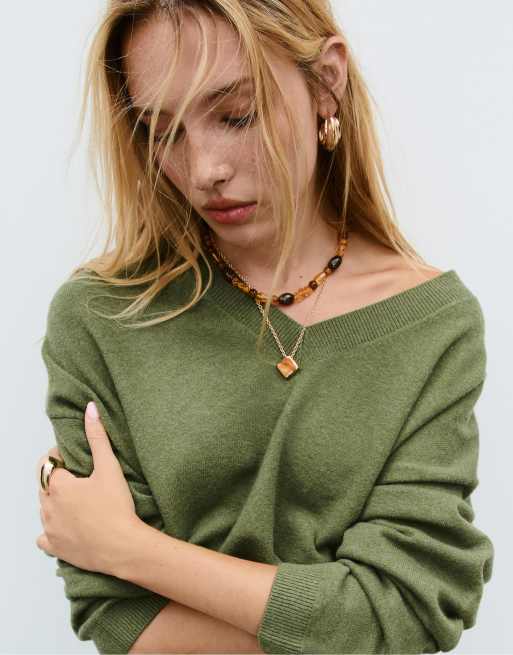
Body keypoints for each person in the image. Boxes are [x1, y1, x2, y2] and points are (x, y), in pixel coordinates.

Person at [36, 1, 494, 653]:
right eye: (163, 131)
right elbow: (118, 618)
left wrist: (129, 548)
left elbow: (409, 610)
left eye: (236, 115)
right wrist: (337, 624)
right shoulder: (102, 316)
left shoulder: (432, 326)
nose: (204, 170)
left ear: (326, 82)